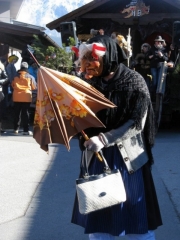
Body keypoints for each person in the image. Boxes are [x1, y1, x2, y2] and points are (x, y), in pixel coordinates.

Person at [71, 35, 162, 240]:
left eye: (91, 59)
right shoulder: (88, 83)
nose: (87, 67)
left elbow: (137, 123)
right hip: (97, 156)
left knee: (136, 214)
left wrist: (103, 139)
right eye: (83, 60)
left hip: (129, 160)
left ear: (108, 56)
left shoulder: (134, 80)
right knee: (99, 211)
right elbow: (82, 116)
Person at [11, 62, 37, 135]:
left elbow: (12, 85)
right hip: (26, 96)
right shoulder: (31, 77)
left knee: (17, 113)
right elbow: (34, 87)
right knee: (25, 113)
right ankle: (26, 130)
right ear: (27, 67)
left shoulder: (15, 76)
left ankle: (16, 129)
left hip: (16, 97)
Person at [0, 60, 9, 134]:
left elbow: (6, 78)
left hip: (0, 91)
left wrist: (0, 81)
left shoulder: (1, 69)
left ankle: (0, 127)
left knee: (1, 109)